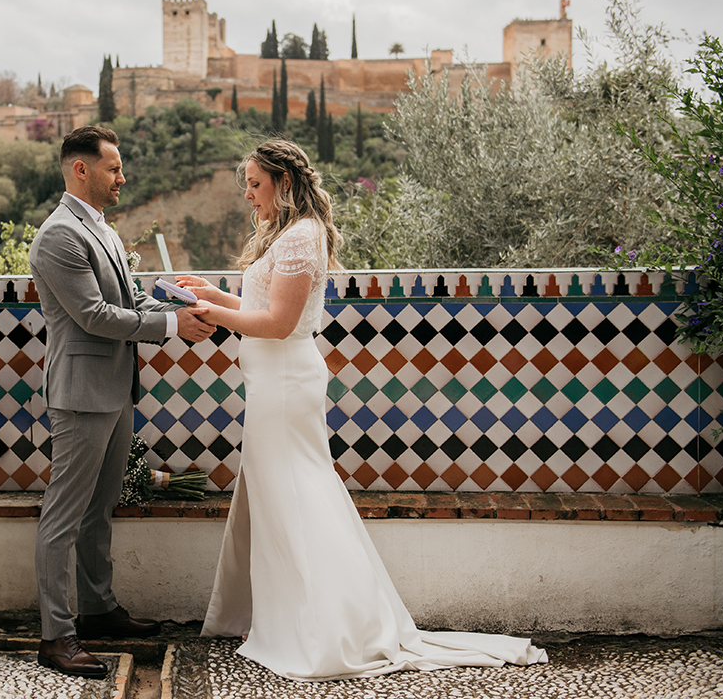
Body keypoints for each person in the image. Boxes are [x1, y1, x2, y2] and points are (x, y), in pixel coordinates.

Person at [177, 140, 548, 681]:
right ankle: (293, 617)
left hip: (285, 386)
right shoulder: (285, 234)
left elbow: (280, 323)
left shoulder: (303, 235)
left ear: (282, 182)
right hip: (271, 384)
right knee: (281, 499)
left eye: (255, 184)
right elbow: (261, 307)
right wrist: (214, 294)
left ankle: (331, 625)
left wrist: (212, 311)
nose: (249, 195)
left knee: (298, 496)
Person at [29, 125, 216, 677]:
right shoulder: (59, 236)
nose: (122, 177)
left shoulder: (102, 229)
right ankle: (56, 637)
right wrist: (170, 325)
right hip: (82, 396)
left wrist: (172, 300)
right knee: (63, 516)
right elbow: (93, 316)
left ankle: (100, 610)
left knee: (98, 510)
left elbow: (125, 298)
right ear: (79, 169)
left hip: (114, 391)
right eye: (113, 168)